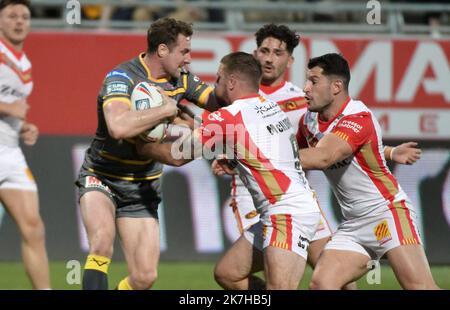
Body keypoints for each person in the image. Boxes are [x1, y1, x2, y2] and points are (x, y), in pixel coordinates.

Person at [212, 24, 421, 290]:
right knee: (305, 282)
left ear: (289, 60)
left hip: (326, 205)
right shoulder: (239, 96)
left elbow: (327, 151)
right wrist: (233, 157)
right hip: (258, 198)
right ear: (254, 54)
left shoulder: (308, 104)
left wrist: (389, 151)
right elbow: (297, 145)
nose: (268, 58)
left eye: (277, 53)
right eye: (264, 51)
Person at [138, 51, 322, 289]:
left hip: (287, 213)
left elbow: (175, 157)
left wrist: (141, 147)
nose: (215, 86)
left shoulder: (230, 117)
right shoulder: (268, 107)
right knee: (228, 273)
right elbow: (263, 148)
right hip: (284, 209)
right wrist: (235, 160)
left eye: (219, 79)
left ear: (232, 82)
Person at [75, 17, 217, 290]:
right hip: (102, 176)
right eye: (184, 51)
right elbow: (118, 127)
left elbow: (218, 101)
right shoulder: (122, 77)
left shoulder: (182, 80)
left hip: (143, 184)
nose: (188, 59)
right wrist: (165, 111)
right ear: (162, 50)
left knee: (144, 278)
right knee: (102, 243)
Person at [296, 53, 438, 289]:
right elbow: (299, 157)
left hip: (388, 212)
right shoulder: (308, 121)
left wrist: (262, 156)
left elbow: (323, 157)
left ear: (336, 86)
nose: (305, 88)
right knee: (322, 285)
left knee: (419, 287)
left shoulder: (358, 117)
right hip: (354, 223)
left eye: (313, 81)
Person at [0, 0, 51, 289]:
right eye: (11, 16)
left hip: (9, 152)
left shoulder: (23, 63)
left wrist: (24, 127)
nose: (19, 21)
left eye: (24, 16)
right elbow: (8, 106)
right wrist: (7, 107)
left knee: (34, 228)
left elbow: (14, 111)